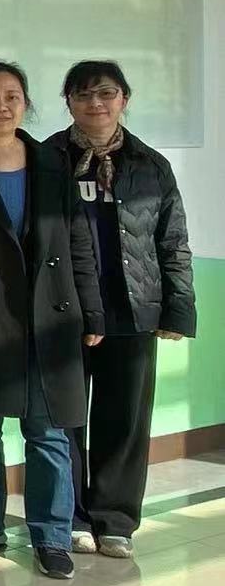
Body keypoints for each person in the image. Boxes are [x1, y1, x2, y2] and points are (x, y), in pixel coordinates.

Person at [0, 61, 103, 581]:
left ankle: (52, 535)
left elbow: (78, 242)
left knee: (49, 431)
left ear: (26, 103)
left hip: (48, 315)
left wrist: (92, 311)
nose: (0, 107)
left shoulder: (52, 162)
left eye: (11, 96)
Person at [51, 60, 194, 559]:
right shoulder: (49, 158)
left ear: (124, 99)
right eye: (83, 94)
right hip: (65, 311)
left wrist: (178, 309)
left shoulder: (150, 164)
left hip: (133, 310)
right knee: (64, 419)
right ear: (69, 102)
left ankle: (115, 520)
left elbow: (172, 240)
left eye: (106, 93)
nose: (96, 103)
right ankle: (70, 517)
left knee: (125, 420)